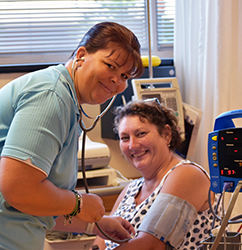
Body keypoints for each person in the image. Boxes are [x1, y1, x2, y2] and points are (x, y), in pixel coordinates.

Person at [0, 22, 143, 250]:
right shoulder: (51, 97)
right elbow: (19, 190)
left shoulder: (66, 101)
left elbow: (39, 203)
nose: (117, 80)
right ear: (82, 55)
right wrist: (78, 203)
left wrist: (96, 225)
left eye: (124, 75)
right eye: (110, 65)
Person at [93, 99, 222, 250]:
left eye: (141, 134)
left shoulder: (187, 174)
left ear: (166, 134)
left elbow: (151, 246)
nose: (132, 145)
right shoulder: (130, 191)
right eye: (125, 138)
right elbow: (98, 245)